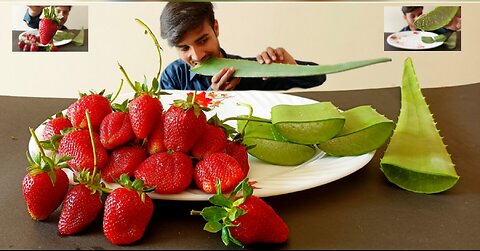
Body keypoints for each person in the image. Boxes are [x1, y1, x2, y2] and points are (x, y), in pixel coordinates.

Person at [159, 2, 326, 91]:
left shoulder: (248, 71)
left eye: (202, 41)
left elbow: (319, 77)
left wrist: (291, 68)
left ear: (216, 28)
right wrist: (213, 96)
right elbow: (170, 129)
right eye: (184, 48)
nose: (197, 55)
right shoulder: (173, 77)